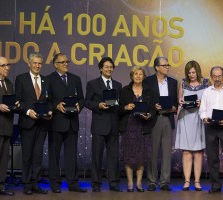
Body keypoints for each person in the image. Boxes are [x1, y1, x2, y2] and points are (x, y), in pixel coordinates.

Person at [47, 53, 86, 193]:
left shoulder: (76, 79)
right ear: (55, 64)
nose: (65, 64)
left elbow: (82, 99)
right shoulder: (48, 79)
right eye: (62, 62)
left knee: (71, 155)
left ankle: (73, 183)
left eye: (67, 61)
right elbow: (47, 100)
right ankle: (55, 184)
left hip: (72, 122)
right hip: (56, 122)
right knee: (54, 155)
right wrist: (56, 106)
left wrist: (78, 106)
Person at [15, 52, 51, 195]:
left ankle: (35, 183)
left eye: (40, 63)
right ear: (29, 64)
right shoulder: (21, 79)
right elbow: (18, 101)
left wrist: (49, 111)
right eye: (35, 63)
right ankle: (27, 184)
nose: (37, 66)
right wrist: (28, 111)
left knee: (38, 155)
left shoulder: (46, 81)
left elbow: (49, 100)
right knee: (27, 156)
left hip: (42, 123)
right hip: (27, 122)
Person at [85, 57, 122, 192]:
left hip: (113, 125)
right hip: (99, 125)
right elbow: (87, 102)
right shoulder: (93, 84)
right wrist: (98, 105)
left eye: (111, 67)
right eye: (106, 67)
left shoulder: (118, 85)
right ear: (101, 68)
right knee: (97, 155)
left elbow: (118, 103)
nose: (109, 69)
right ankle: (96, 183)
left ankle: (113, 182)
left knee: (113, 156)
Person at [199, 66, 223, 194]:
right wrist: (204, 118)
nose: (217, 79)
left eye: (219, 76)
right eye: (214, 76)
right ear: (211, 77)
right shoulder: (207, 91)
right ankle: (215, 185)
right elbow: (202, 110)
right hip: (210, 126)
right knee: (212, 158)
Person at [119, 67, 155, 192]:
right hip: (129, 126)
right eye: (136, 74)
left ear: (144, 76)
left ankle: (139, 184)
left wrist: (149, 114)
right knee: (129, 157)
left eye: (140, 74)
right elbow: (118, 109)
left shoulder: (149, 91)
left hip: (143, 126)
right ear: (132, 76)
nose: (138, 76)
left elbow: (153, 108)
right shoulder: (125, 90)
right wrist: (125, 107)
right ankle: (130, 183)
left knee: (141, 157)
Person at [145, 57, 178, 191]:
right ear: (157, 67)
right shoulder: (148, 81)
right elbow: (145, 99)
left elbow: (176, 101)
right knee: (152, 151)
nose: (167, 67)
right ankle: (152, 181)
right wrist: (153, 105)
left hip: (168, 117)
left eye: (168, 65)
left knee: (166, 152)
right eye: (164, 65)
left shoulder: (173, 82)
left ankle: (164, 182)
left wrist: (174, 107)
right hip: (155, 118)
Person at [175, 60, 209, 191]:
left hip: (199, 119)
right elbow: (179, 101)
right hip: (185, 118)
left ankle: (197, 181)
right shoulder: (183, 83)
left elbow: (209, 102)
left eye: (193, 72)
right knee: (186, 151)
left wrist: (203, 103)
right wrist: (180, 102)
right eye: (189, 72)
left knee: (199, 151)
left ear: (198, 71)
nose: (191, 75)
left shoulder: (206, 83)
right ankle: (187, 181)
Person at [0, 57, 15, 196]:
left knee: (4, 158)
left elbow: (11, 101)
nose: (7, 67)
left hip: (7, 126)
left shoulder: (9, 83)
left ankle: (1, 186)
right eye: (3, 65)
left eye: (8, 65)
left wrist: (16, 105)